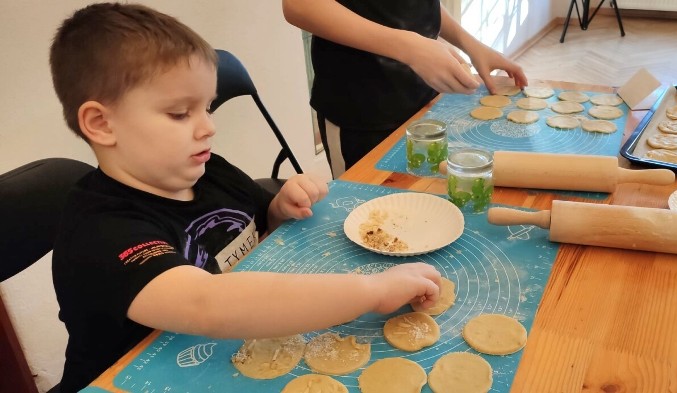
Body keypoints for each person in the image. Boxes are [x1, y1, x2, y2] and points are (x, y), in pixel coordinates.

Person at [48, 4, 441, 392]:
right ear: (101, 124)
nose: (208, 127)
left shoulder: (210, 172)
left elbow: (255, 227)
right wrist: (371, 292)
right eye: (181, 114)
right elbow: (206, 302)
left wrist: (279, 209)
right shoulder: (101, 231)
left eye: (206, 107)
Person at [282, 0, 529, 178]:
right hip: (362, 110)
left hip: (424, 101)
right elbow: (300, 5)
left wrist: (471, 45)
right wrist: (409, 47)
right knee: (371, 218)